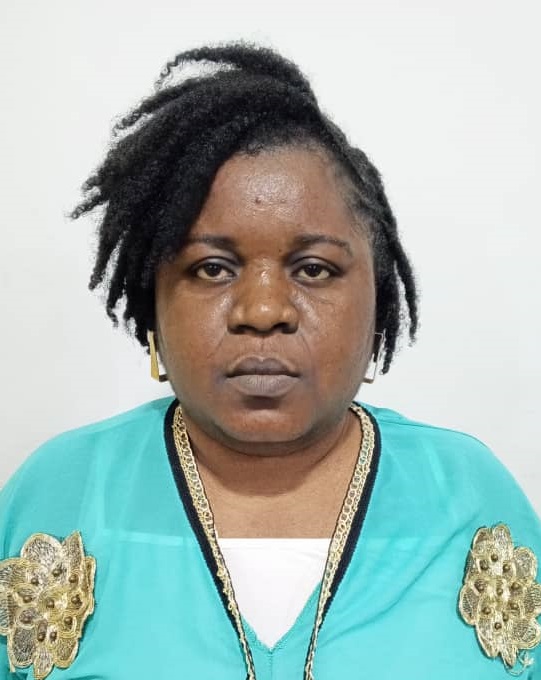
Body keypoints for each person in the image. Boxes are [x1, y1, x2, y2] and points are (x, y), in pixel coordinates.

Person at [1, 42, 540, 680]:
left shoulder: (469, 497)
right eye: (211, 268)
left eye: (314, 269)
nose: (262, 310)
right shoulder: (60, 494)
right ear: (153, 303)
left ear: (376, 298)